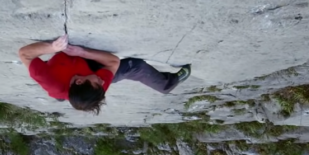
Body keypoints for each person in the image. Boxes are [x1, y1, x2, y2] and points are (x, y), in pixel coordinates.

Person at [18, 35, 191, 114]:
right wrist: (82, 52)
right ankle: (167, 85)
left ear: (78, 81)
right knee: (134, 66)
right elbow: (113, 63)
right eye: (101, 84)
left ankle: (165, 84)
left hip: (85, 70)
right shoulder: (98, 85)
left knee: (58, 94)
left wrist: (53, 48)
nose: (103, 81)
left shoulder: (52, 82)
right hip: (86, 71)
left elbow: (25, 54)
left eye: (99, 83)